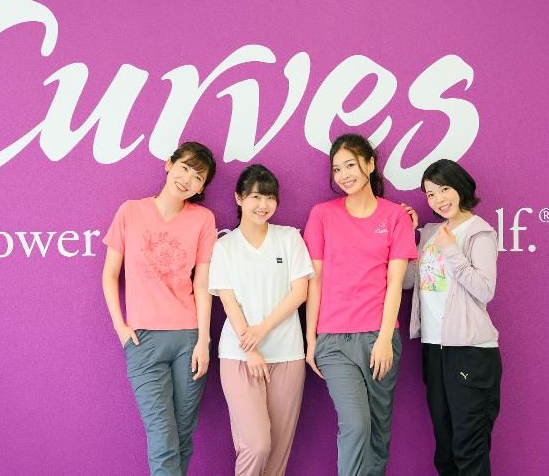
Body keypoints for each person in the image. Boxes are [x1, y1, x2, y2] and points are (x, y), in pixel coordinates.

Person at [303, 133, 417, 476]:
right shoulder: (322, 214)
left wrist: (384, 340)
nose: (343, 175)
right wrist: (311, 339)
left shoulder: (395, 216)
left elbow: (395, 284)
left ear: (370, 164)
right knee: (356, 425)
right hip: (334, 341)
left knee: (379, 432)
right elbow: (315, 281)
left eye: (350, 165)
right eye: (337, 169)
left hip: (379, 339)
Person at [101, 142, 217, 476]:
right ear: (169, 164)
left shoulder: (203, 220)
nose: (187, 179)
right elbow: (109, 276)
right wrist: (121, 328)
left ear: (201, 188)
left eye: (197, 177)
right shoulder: (130, 212)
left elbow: (202, 284)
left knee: (182, 436)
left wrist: (203, 340)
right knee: (163, 439)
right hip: (143, 341)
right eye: (184, 168)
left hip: (188, 339)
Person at [209, 164, 313, 476]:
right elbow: (228, 301)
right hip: (239, 354)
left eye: (269, 197)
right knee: (256, 445)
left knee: (278, 450)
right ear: (239, 198)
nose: (263, 205)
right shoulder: (224, 246)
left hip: (287, 354)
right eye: (256, 196)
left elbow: (300, 292)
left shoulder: (289, 238)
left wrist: (263, 330)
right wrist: (251, 347)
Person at [401, 159, 501, 476]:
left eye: (444, 189)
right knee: (445, 449)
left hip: (470, 351)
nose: (438, 199)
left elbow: (485, 289)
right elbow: (408, 281)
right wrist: (408, 236)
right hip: (434, 349)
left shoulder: (479, 232)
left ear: (459, 186)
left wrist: (451, 250)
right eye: (431, 194)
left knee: (469, 450)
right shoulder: (431, 233)